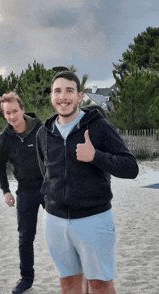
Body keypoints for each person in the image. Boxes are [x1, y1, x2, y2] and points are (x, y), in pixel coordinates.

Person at [36, 71, 139, 294]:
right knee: (69, 284)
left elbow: (131, 168)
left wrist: (96, 156)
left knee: (100, 286)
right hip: (54, 221)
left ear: (79, 96)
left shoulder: (98, 126)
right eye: (57, 91)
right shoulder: (43, 133)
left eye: (69, 91)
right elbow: (45, 172)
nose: (63, 97)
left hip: (94, 219)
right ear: (52, 97)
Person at [0, 92, 45, 294]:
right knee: (25, 237)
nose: (12, 116)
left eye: (15, 111)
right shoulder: (4, 139)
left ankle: (70, 275)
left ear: (22, 110)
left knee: (61, 232)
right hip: (24, 191)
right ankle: (26, 279)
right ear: (4, 114)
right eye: (8, 113)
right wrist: (6, 191)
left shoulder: (42, 129)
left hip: (48, 188)